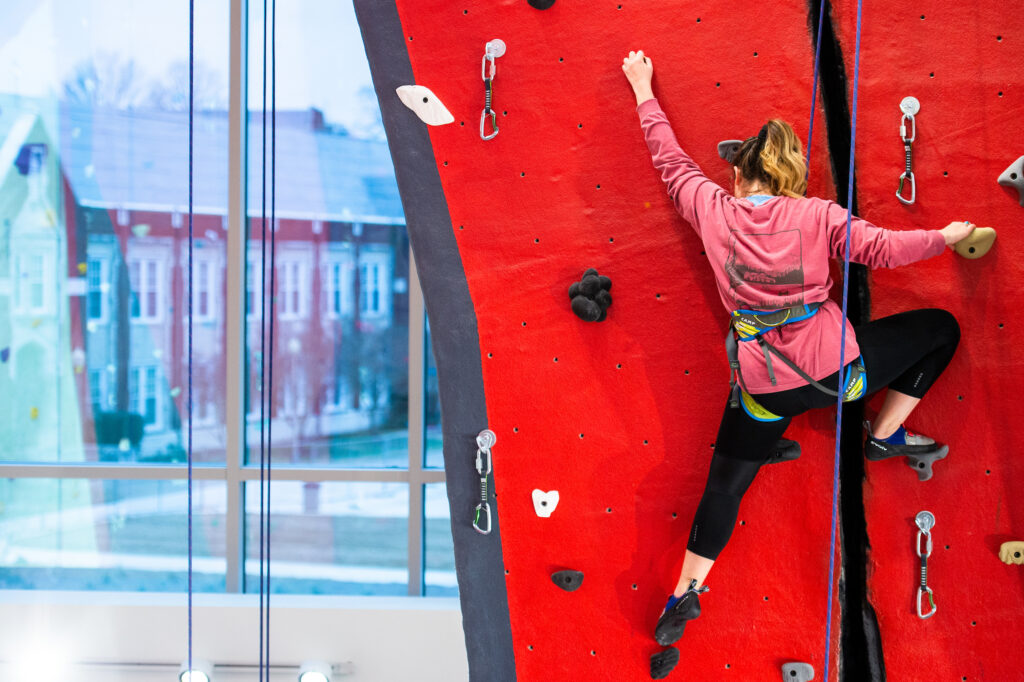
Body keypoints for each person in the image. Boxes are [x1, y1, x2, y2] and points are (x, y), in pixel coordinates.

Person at [620, 49, 974, 653]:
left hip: (764, 389)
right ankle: (886, 434)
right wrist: (947, 237)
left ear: (739, 176)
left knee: (725, 485)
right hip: (841, 377)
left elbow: (670, 161)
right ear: (787, 178)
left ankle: (686, 589)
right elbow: (884, 249)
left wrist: (641, 88)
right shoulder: (815, 214)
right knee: (940, 329)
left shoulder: (711, 210)